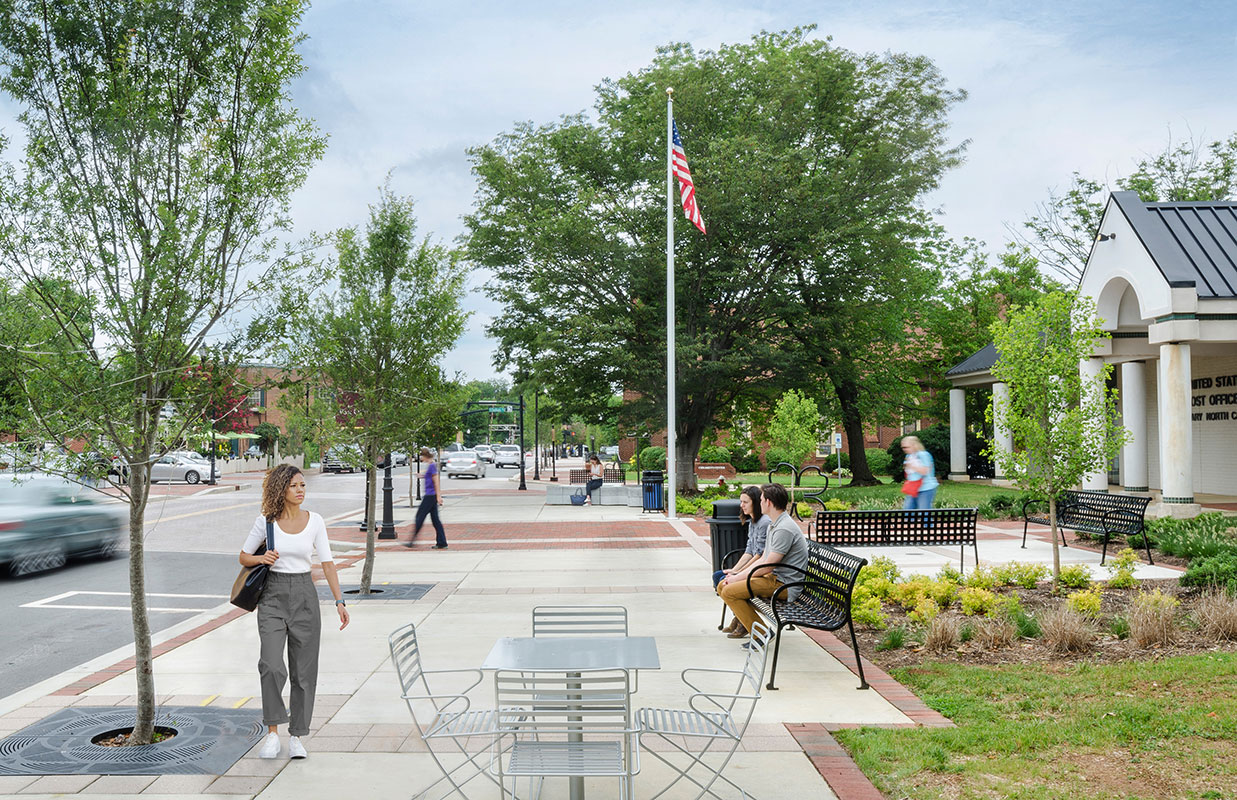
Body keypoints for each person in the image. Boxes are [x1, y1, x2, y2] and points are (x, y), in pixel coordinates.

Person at [239, 465, 349, 760]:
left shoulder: (315, 521)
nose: (301, 490)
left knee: (304, 672)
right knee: (271, 665)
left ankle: (298, 735)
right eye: (295, 486)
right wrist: (263, 556)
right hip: (273, 597)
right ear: (281, 490)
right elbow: (243, 556)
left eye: (303, 485)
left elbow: (326, 563)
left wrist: (340, 601)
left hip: (304, 595)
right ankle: (273, 733)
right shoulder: (267, 522)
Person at [717, 483, 809, 641]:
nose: (759, 503)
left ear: (768, 502)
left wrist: (738, 578)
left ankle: (762, 635)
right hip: (773, 578)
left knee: (729, 591)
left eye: (760, 500)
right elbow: (763, 558)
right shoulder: (774, 524)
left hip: (785, 585)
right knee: (723, 585)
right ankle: (752, 628)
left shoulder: (783, 528)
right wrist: (737, 574)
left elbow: (768, 566)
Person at [715, 486, 771, 637]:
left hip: (767, 574)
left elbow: (759, 556)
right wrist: (734, 570)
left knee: (725, 584)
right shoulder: (753, 521)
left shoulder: (765, 522)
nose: (741, 505)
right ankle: (741, 619)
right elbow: (749, 551)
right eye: (741, 502)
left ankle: (751, 627)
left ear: (756, 502)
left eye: (745, 502)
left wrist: (739, 573)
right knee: (719, 578)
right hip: (759, 569)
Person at [407, 447, 448, 548]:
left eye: (421, 456)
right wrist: (422, 476)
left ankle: (412, 541)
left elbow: (436, 482)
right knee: (435, 520)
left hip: (430, 496)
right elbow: (430, 477)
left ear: (425, 456)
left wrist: (439, 496)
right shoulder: (430, 465)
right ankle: (442, 542)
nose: (420, 458)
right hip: (431, 495)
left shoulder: (432, 466)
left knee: (419, 517)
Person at [900, 435, 939, 510]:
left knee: (924, 513)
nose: (904, 449)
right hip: (913, 488)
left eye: (906, 447)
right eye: (903, 447)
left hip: (926, 487)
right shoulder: (909, 456)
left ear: (914, 445)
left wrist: (911, 466)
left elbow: (925, 471)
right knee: (907, 511)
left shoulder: (923, 455)